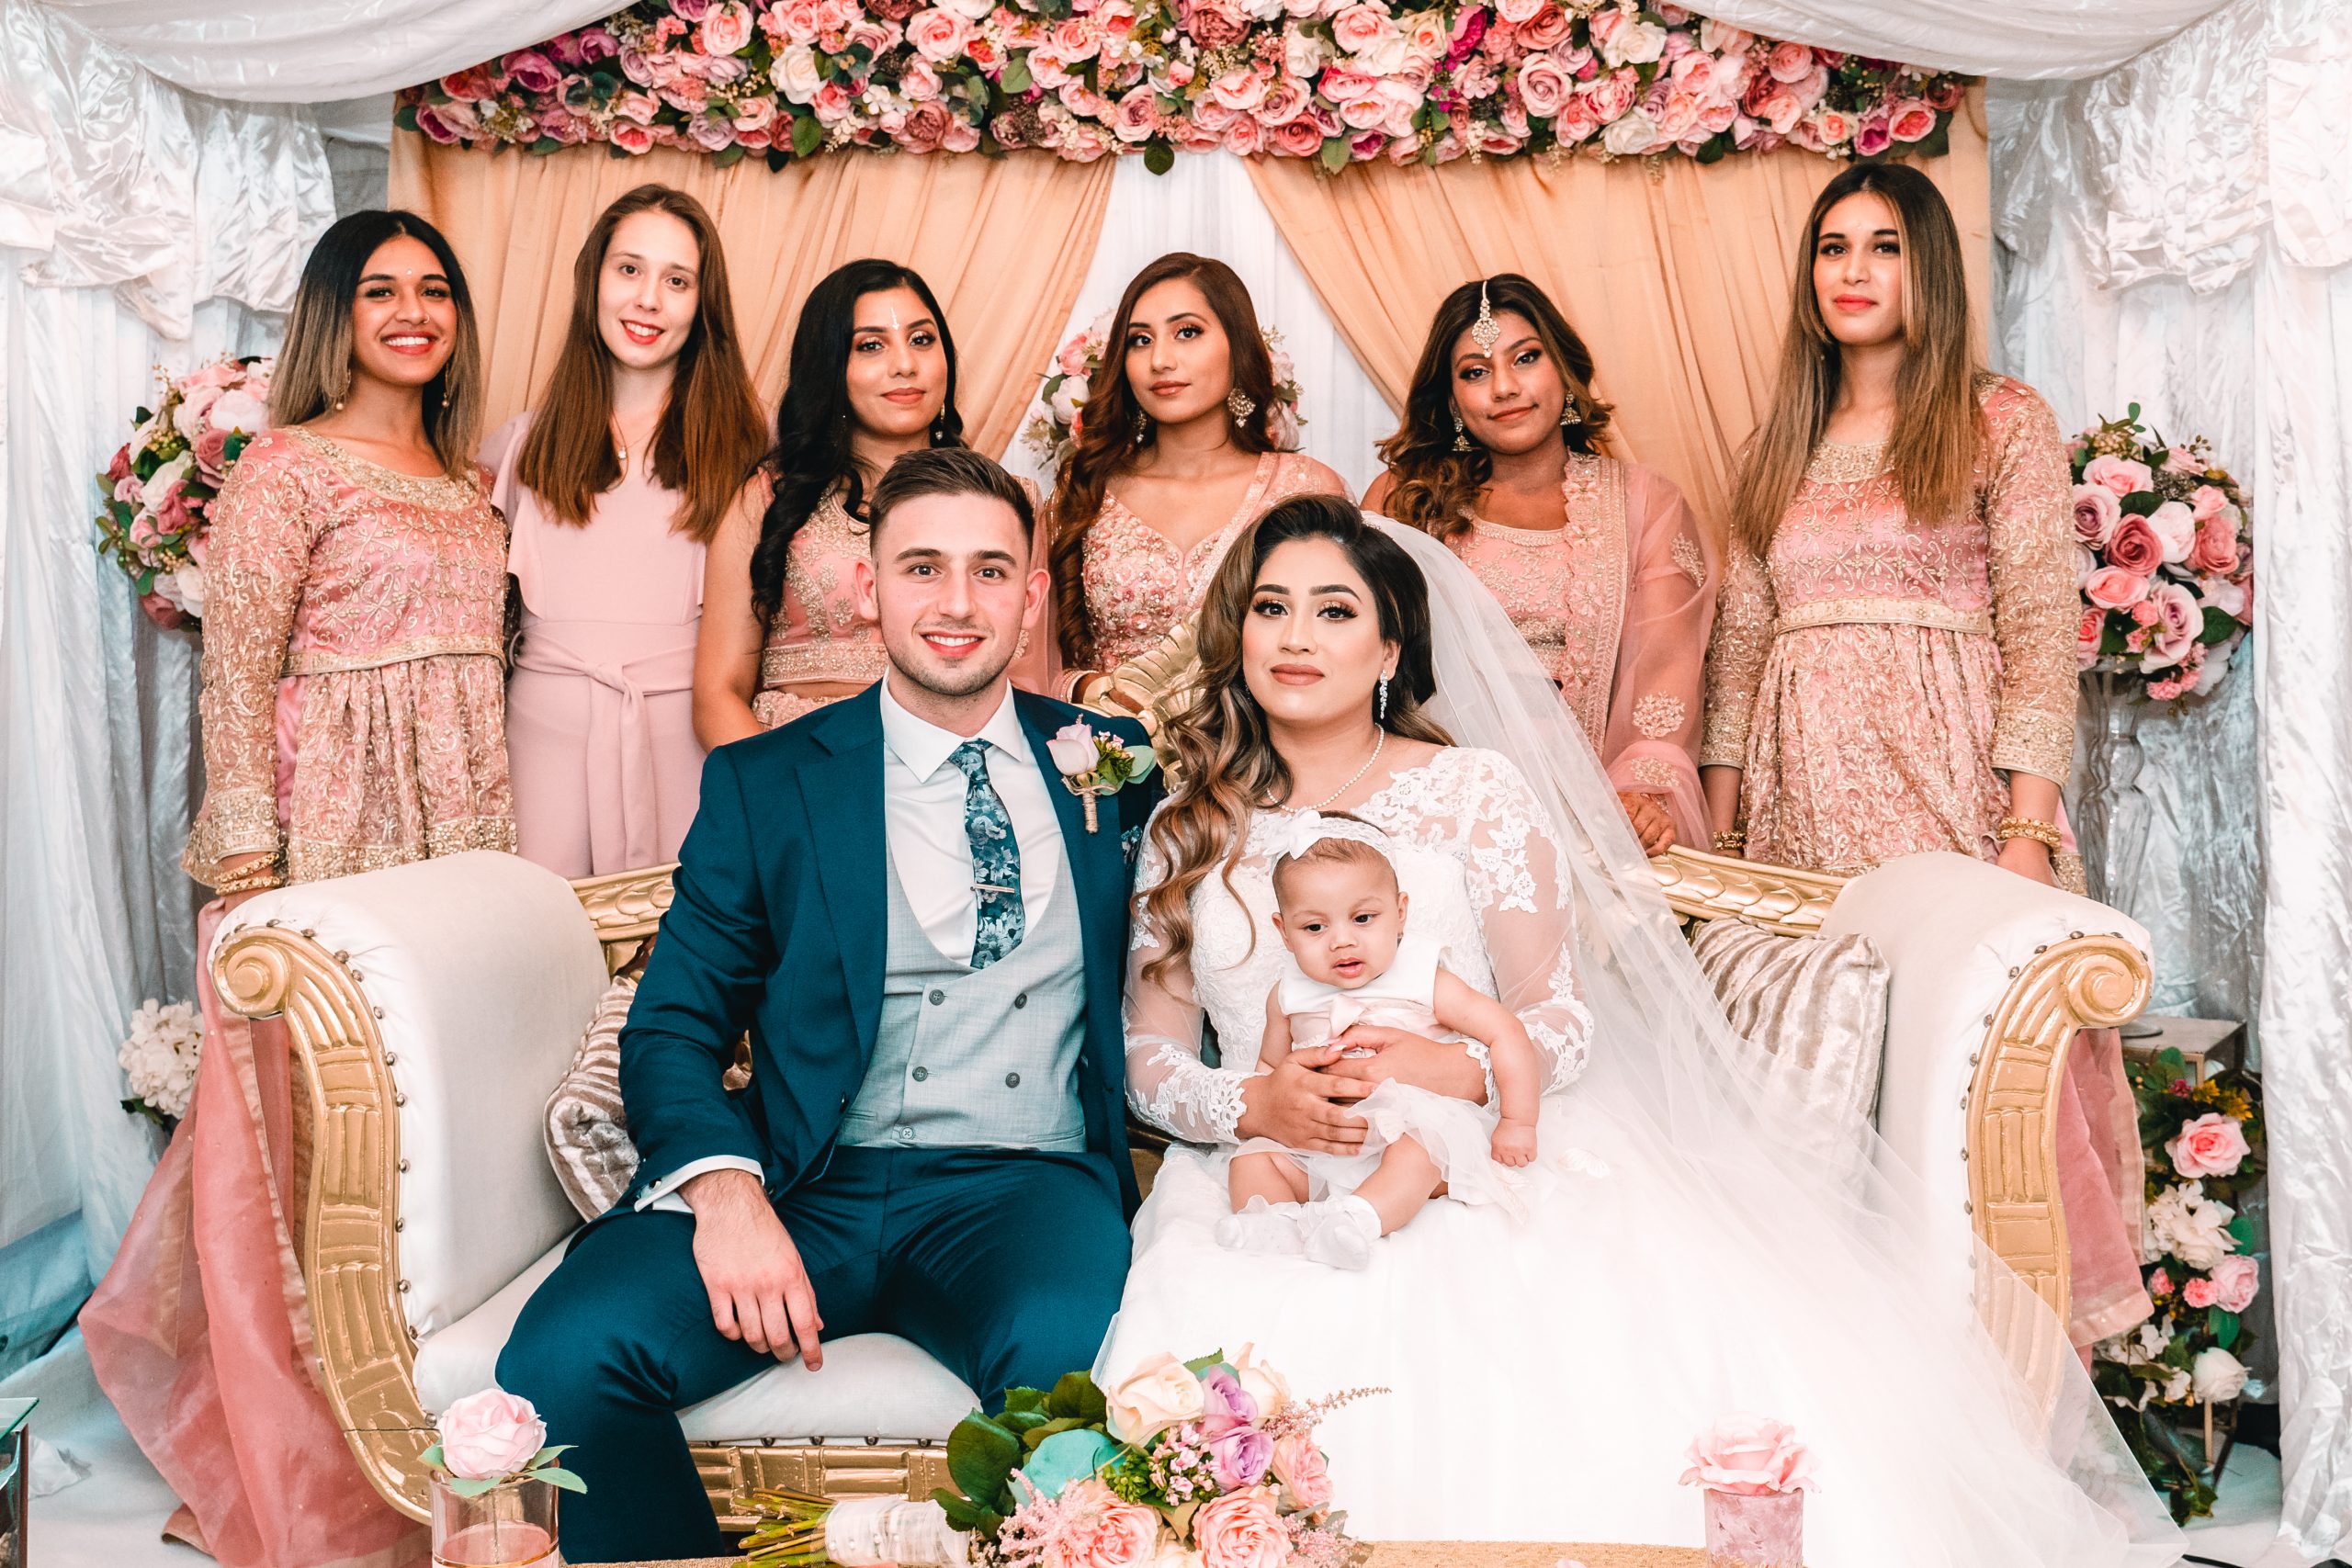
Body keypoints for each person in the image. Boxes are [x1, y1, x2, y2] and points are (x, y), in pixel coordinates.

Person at [1102, 494, 2179, 1562]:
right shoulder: (1190, 825)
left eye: (1333, 611)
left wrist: (1459, 1070)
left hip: (1463, 1148)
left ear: (1389, 647)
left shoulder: (1472, 793)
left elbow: (1559, 1019)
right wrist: (1254, 1101)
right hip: (1269, 1167)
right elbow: (1146, 1057)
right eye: (1271, 608)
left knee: (1512, 1324)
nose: (1295, 637)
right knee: (1238, 1318)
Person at [498, 449, 1159, 1562]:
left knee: (1073, 1393)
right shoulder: (768, 780)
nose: (957, 603)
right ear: (867, 589)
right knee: (561, 1360)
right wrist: (725, 1195)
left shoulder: (1113, 765)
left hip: (1026, 1186)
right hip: (808, 1180)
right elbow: (673, 1025)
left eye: (991, 571)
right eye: (922, 568)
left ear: (1033, 595)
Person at [83, 209, 504, 1568]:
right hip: (333, 825)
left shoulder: (465, 477)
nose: (412, 311)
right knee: (324, 1139)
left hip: (458, 827)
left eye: (433, 289)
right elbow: (235, 672)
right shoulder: (285, 466)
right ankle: (295, 1456)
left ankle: (419, 1427)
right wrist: (254, 875)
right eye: (380, 289)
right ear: (337, 314)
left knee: (428, 1142)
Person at [1700, 163, 2150, 1350]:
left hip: (1947, 785)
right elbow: (1738, 648)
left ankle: (2012, 1388)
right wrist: (1723, 843)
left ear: (1929, 268)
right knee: (1836, 1079)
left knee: (1978, 1068)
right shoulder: (1776, 441)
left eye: (1884, 246)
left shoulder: (1999, 419)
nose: (1852, 271)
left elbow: (2042, 632)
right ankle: (1868, 1386)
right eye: (1833, 247)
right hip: (1800, 809)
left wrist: (2026, 832)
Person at [1366, 274, 1715, 852]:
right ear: (1451, 400)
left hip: (1598, 807)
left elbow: (1665, 675)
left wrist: (1639, 796)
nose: (1504, 387)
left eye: (1526, 358)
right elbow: (1363, 663)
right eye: (1475, 372)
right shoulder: (1404, 501)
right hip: (1436, 801)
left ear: (1564, 369)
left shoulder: (1644, 503)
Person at [487, 184, 767, 877]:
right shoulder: (518, 448)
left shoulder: (748, 454)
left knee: (686, 930)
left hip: (688, 750)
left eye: (677, 281)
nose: (648, 299)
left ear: (703, 305)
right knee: (538, 931)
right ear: (594, 281)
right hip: (538, 750)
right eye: (629, 269)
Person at [692, 259, 1049, 741]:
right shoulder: (768, 499)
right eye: (871, 345)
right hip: (801, 764)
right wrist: (774, 786)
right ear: (829, 367)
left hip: (960, 760)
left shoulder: (1008, 506)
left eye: (921, 340)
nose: (904, 365)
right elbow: (719, 694)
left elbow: (1029, 684)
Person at [1221, 814, 1539, 1269]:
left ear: (1400, 912)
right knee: (1251, 1161)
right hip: (1325, 1139)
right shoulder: (1287, 995)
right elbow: (1270, 1069)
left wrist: (1517, 1120)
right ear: (1284, 931)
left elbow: (1505, 1031)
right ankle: (1278, 1225)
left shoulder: (1424, 977)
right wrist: (1274, 1109)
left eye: (1363, 918)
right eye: (1314, 928)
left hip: (1409, 1127)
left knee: (1420, 1151)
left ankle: (1356, 1221)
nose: (1342, 941)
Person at [1045, 253, 1345, 705]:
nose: (1160, 360)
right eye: (1140, 340)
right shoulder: (1086, 487)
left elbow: (1344, 642)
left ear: (1238, 347)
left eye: (1187, 332)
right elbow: (1030, 652)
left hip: (1263, 744)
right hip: (1107, 742)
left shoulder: (1306, 489)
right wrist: (1090, 688)